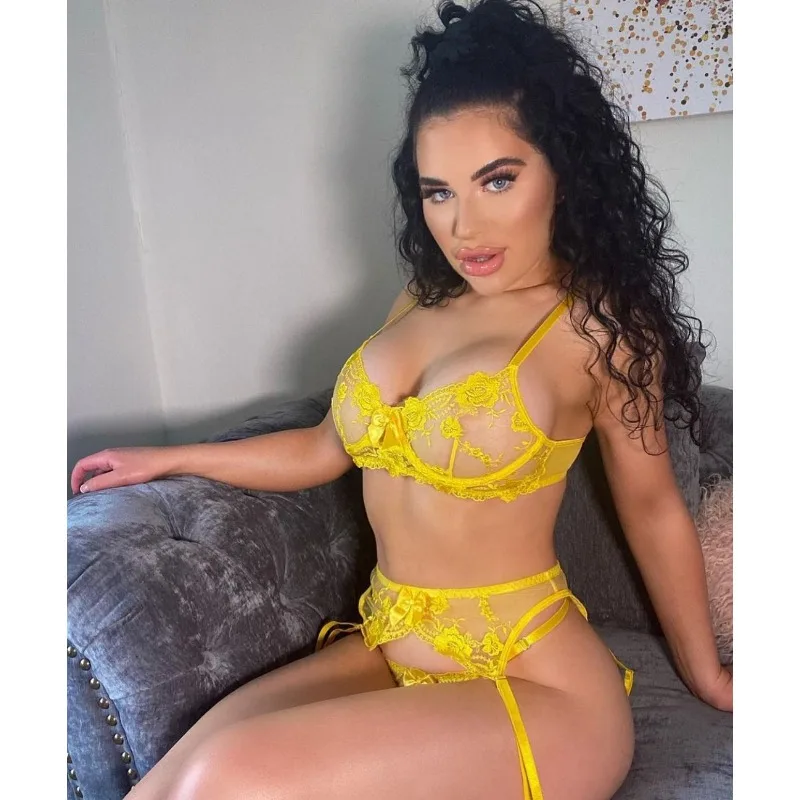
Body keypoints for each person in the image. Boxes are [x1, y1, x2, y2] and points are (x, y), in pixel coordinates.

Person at [70, 1, 732, 798]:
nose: (464, 226)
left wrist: (708, 677)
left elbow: (654, 509)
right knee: (165, 782)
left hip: (534, 687)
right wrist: (168, 458)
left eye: (498, 180)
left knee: (224, 775)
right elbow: (323, 447)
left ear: (563, 170)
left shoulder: (601, 332)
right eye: (437, 191)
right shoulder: (421, 298)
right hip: (389, 645)